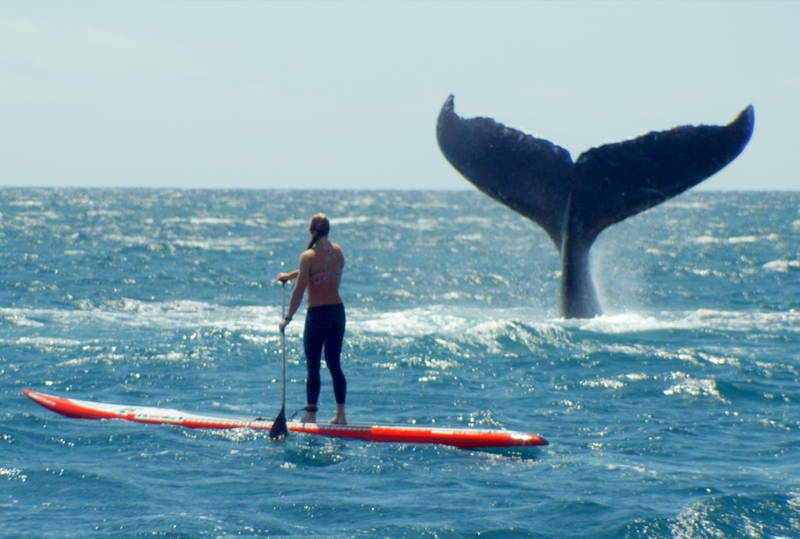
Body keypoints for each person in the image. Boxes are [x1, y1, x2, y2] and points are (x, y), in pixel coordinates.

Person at [276, 213, 347, 424]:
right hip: (337, 312)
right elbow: (321, 269)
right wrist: (291, 275)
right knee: (334, 364)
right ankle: (341, 415)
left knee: (313, 365)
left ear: (311, 231)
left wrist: (287, 318)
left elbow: (299, 291)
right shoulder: (337, 251)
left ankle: (311, 414)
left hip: (317, 315)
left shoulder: (308, 256)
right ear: (328, 230)